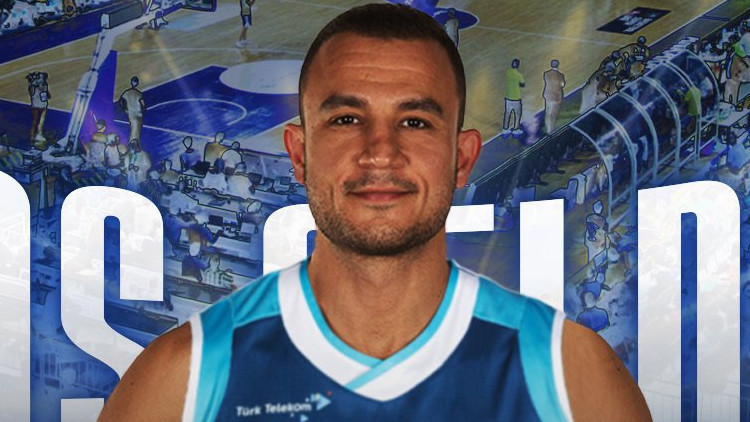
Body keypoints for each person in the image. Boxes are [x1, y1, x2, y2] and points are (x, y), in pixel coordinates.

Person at [99, 4, 651, 422]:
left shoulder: (572, 377)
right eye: (346, 120)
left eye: (415, 121)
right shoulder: (182, 380)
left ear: (462, 158)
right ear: (298, 154)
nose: (381, 152)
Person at [118, 76, 146, 145]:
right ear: (137, 83)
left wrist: (124, 108)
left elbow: (120, 101)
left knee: (133, 130)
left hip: (131, 114)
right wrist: (143, 110)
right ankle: (133, 145)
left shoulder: (127, 92)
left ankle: (133, 145)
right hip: (139, 114)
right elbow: (143, 104)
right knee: (137, 131)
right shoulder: (138, 93)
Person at [502, 58, 525, 138]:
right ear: (518, 66)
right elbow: (523, 84)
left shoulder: (508, 72)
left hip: (508, 97)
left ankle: (505, 129)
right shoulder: (519, 75)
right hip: (516, 98)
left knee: (507, 114)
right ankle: (515, 130)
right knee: (517, 114)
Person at [543, 59, 565, 134]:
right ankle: (550, 130)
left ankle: (547, 127)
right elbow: (562, 85)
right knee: (553, 114)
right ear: (558, 66)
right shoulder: (560, 75)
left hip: (547, 95)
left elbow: (547, 81)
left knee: (548, 112)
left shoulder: (546, 74)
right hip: (556, 97)